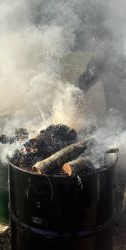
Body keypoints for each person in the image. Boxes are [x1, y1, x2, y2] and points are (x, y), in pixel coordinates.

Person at [77, 34, 126, 224]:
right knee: (118, 163)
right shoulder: (108, 46)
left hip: (118, 117)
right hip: (118, 119)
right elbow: (88, 76)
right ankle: (115, 209)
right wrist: (72, 93)